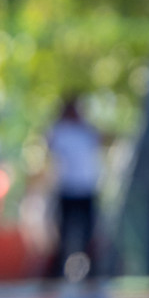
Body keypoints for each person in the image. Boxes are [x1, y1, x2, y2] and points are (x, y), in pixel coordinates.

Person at [46, 95, 101, 282]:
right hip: (68, 190)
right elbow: (49, 144)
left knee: (88, 233)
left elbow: (101, 139)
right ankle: (60, 272)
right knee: (64, 234)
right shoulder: (60, 131)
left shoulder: (86, 131)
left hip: (86, 189)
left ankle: (89, 272)